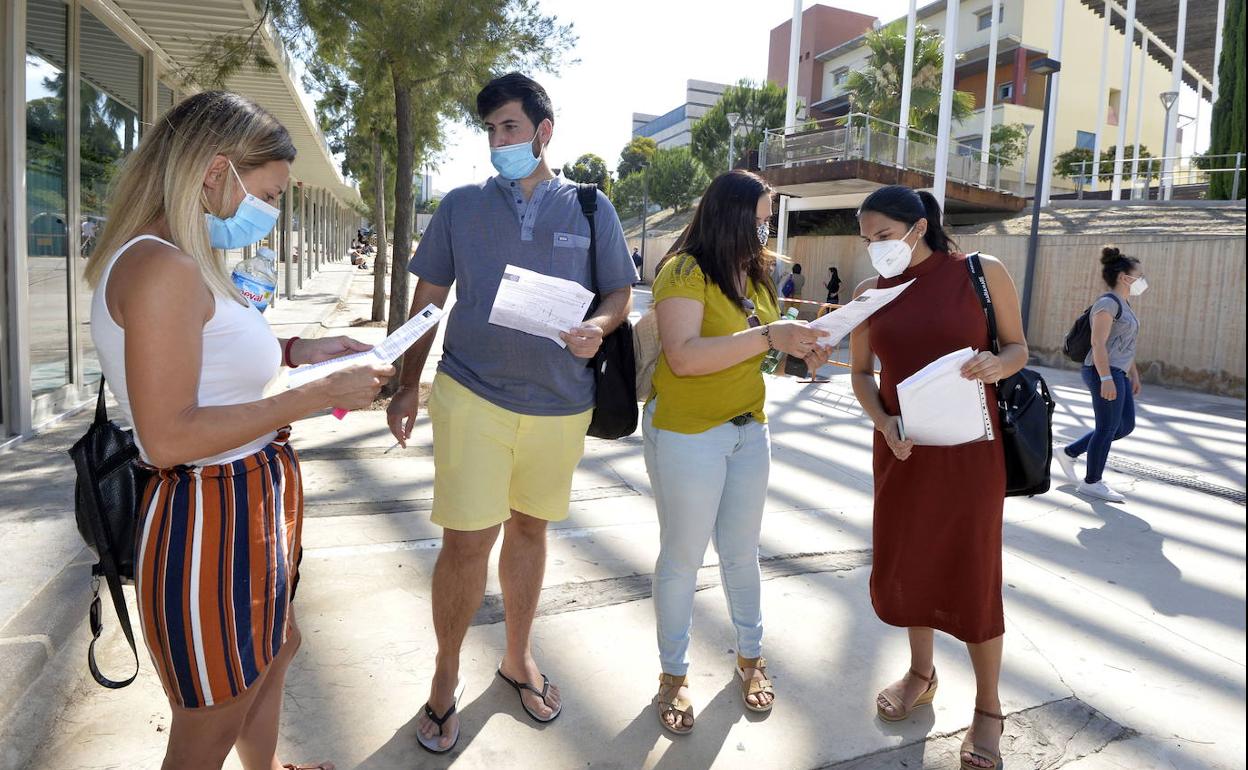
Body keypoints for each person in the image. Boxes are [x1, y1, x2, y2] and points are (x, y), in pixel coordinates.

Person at [84, 90, 389, 770]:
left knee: (273, 652)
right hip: (207, 511)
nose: (273, 213)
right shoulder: (162, 268)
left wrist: (295, 352)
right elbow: (167, 436)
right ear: (217, 171)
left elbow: (204, 358)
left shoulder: (178, 256)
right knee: (212, 713)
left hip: (245, 494)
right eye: (271, 194)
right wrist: (310, 398)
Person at [386, 73, 635, 754]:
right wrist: (406, 386)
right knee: (467, 540)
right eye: (491, 130)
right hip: (471, 395)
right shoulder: (462, 207)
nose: (498, 141)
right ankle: (444, 675)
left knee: (530, 529)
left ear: (543, 132)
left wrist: (602, 326)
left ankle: (516, 656)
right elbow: (429, 302)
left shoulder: (592, 208)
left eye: (509, 129)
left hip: (561, 406)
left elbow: (618, 293)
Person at [848, 185, 1029, 770]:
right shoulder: (868, 294)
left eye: (882, 236)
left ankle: (989, 707)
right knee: (911, 564)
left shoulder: (982, 271)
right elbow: (860, 376)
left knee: (974, 571)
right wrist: (883, 424)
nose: (875, 249)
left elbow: (1021, 347)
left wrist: (1000, 364)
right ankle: (921, 673)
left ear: (917, 226)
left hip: (972, 454)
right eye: (867, 240)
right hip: (903, 454)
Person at [644, 170, 827, 735]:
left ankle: (751, 658)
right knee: (683, 558)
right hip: (688, 433)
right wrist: (773, 337)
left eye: (769, 218)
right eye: (760, 217)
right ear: (731, 216)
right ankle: (673, 676)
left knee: (742, 553)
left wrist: (799, 353)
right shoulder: (684, 271)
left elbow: (758, 355)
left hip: (750, 429)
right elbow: (685, 357)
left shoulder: (756, 276)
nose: (766, 228)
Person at [1055, 246, 1144, 502]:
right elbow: (1098, 343)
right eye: (1140, 276)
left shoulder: (1125, 305)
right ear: (1125, 278)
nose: (1142, 281)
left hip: (1119, 372)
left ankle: (1070, 452)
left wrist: (1133, 373)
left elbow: (1125, 345)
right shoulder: (1107, 303)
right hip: (1102, 370)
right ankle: (1092, 481)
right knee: (1107, 427)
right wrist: (1105, 378)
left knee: (1124, 426)